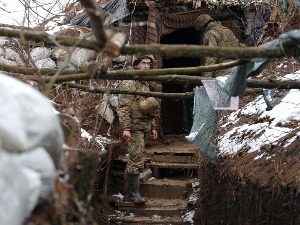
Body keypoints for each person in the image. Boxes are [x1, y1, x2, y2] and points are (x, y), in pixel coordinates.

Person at [116, 55, 159, 204]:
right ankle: (133, 194)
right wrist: (126, 128)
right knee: (135, 159)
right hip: (133, 127)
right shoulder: (130, 82)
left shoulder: (144, 83)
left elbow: (147, 106)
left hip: (143, 126)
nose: (146, 66)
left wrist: (153, 126)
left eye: (148, 64)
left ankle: (129, 192)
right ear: (137, 64)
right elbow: (123, 107)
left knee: (138, 157)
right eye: (144, 63)